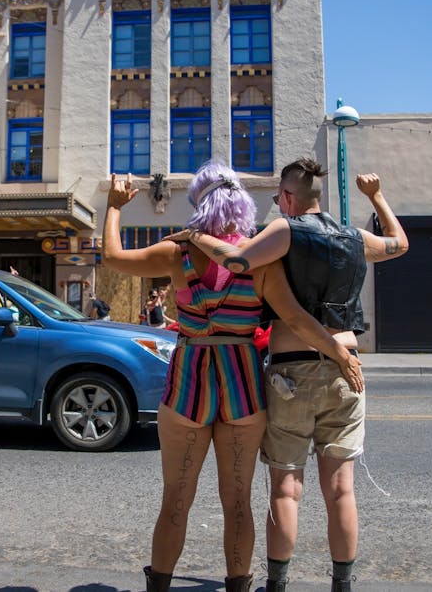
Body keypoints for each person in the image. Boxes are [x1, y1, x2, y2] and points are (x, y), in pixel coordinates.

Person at [102, 162, 362, 592]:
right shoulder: (259, 258)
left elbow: (112, 257)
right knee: (238, 501)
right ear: (241, 204)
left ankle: (159, 586)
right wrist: (336, 350)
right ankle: (239, 584)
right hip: (241, 381)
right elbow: (295, 317)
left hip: (189, 379)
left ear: (199, 204)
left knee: (176, 500)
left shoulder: (176, 251)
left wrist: (114, 207)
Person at [174, 158, 408, 592]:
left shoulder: (285, 230)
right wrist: (375, 197)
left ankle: (278, 585)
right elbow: (399, 242)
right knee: (341, 490)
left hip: (293, 369)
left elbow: (238, 260)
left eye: (279, 197)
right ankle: (342, 585)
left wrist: (194, 235)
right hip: (347, 370)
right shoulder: (353, 237)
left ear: (286, 197)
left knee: (286, 489)